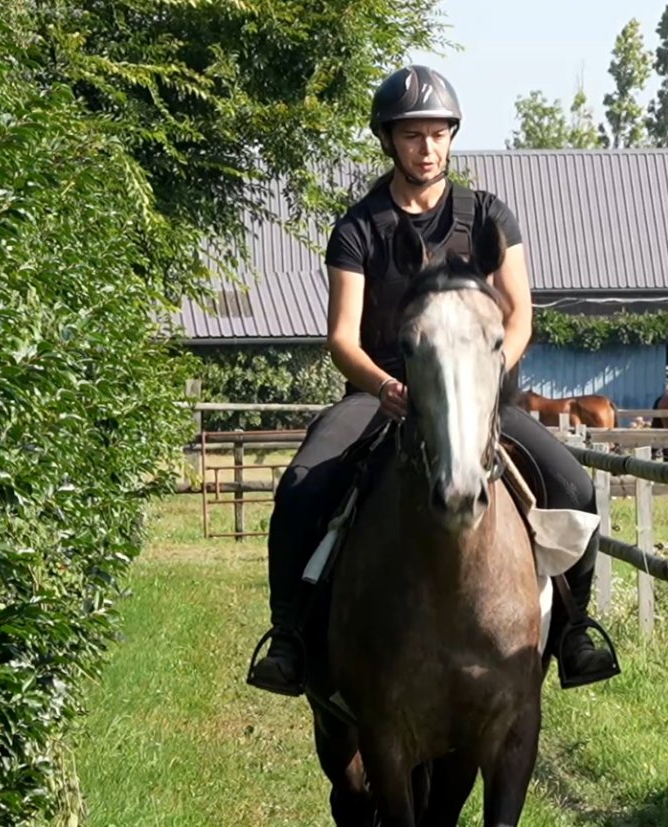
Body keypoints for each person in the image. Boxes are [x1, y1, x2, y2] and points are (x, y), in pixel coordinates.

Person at [245, 64, 619, 697]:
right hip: (383, 395)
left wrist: (488, 376)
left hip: (479, 394)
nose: (428, 148)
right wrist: (384, 387)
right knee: (303, 486)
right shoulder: (358, 228)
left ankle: (575, 631)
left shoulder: (488, 217)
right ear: (389, 141)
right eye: (413, 135)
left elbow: (520, 314)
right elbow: (342, 338)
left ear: (452, 137)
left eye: (439, 134)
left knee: (574, 485)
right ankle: (289, 637)